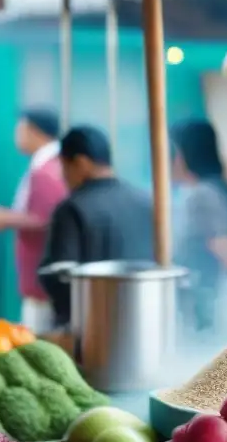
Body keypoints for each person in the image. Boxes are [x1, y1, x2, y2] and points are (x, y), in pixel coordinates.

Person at [40, 125, 154, 326]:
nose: (62, 176)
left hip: (90, 328)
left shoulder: (72, 208)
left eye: (64, 167)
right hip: (141, 320)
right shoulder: (145, 201)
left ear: (81, 163)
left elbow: (59, 274)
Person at [0, 108, 67, 332]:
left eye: (20, 129)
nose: (17, 135)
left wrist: (5, 218)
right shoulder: (45, 165)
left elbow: (45, 218)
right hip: (40, 277)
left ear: (34, 132)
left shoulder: (47, 170)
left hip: (43, 279)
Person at [169, 119, 227, 330]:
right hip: (208, 295)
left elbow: (222, 247)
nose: (172, 161)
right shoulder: (217, 188)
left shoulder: (203, 194)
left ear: (188, 155)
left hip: (205, 297)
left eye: (176, 152)